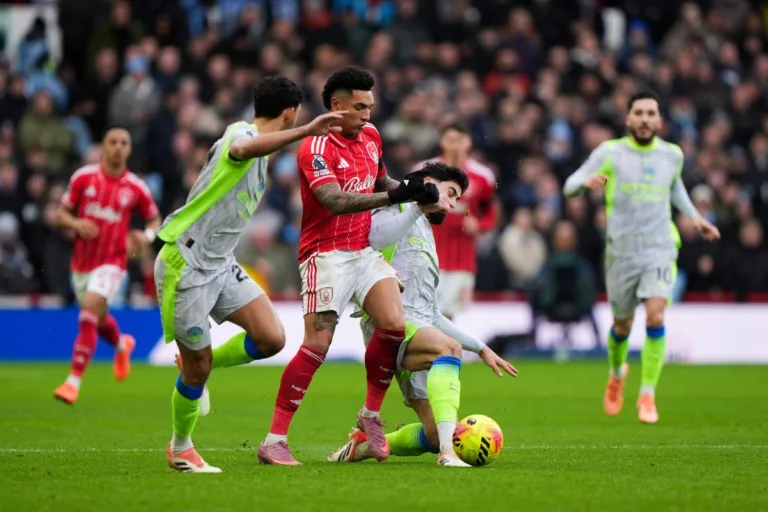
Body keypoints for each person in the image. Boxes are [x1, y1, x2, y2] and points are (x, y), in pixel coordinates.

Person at [154, 76, 345, 473]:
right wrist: (306, 132)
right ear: (290, 113)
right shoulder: (241, 135)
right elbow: (240, 148)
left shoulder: (257, 147)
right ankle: (181, 447)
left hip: (221, 263)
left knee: (271, 338)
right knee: (198, 367)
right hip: (186, 264)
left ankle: (193, 366)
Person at [258, 66, 439, 465]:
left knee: (393, 324)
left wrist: (414, 192)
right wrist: (394, 198)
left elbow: (381, 181)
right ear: (336, 105)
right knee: (317, 346)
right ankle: (274, 440)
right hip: (324, 254)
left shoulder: (371, 136)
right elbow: (335, 200)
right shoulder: (315, 147)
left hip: (362, 250)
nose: (367, 115)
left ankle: (370, 415)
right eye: (359, 107)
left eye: (370, 107)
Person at [326, 162, 517, 467]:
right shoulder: (397, 207)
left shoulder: (426, 231)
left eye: (457, 199)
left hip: (420, 329)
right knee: (448, 349)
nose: (453, 204)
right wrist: (417, 203)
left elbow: (431, 314)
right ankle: (448, 454)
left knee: (434, 433)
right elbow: (373, 237)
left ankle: (362, 447)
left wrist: (481, 348)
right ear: (428, 182)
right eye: (450, 193)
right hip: (389, 325)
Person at [563, 90, 720, 424]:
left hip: (660, 247)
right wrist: (585, 184)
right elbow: (569, 185)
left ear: (660, 120)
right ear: (628, 119)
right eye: (639, 113)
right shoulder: (610, 152)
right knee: (621, 325)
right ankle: (616, 374)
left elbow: (673, 186)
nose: (645, 119)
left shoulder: (672, 155)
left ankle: (647, 394)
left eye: (651, 113)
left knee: (655, 317)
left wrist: (694, 217)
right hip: (621, 251)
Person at [54, 126, 160, 405]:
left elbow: (154, 220)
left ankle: (73, 382)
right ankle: (121, 345)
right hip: (81, 264)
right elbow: (61, 214)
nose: (118, 147)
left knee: (89, 311)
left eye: (124, 143)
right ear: (103, 145)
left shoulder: (136, 187)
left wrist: (146, 236)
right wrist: (77, 223)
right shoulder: (83, 178)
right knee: (96, 318)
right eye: (113, 142)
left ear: (129, 149)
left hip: (113, 262)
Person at [415, 122, 497, 320]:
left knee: (448, 316)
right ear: (442, 141)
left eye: (459, 140)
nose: (454, 145)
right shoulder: (424, 172)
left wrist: (478, 225)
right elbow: (409, 208)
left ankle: (444, 342)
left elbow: (490, 215)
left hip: (462, 259)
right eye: (450, 140)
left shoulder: (482, 177)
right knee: (422, 312)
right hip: (427, 253)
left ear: (468, 142)